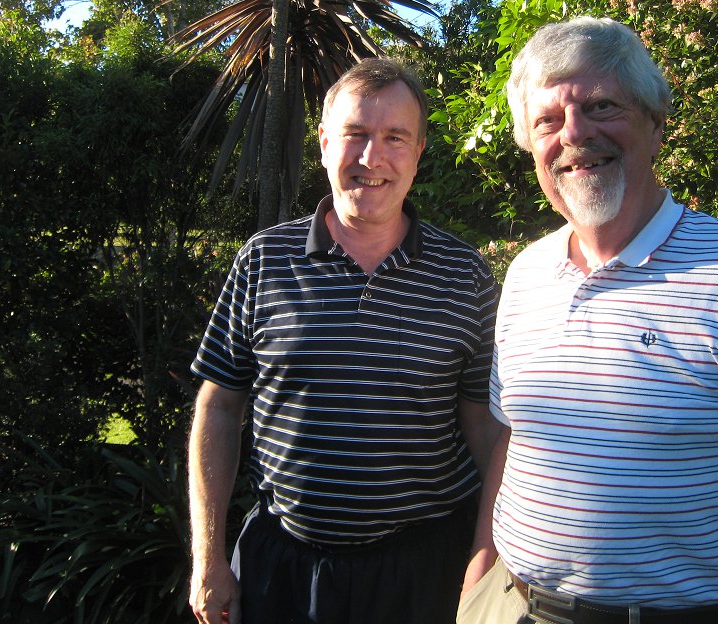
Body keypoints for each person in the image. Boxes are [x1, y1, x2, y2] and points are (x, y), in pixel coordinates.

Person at [458, 16, 718, 624]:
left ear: (656, 122)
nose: (575, 133)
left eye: (601, 106)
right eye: (548, 121)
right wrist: (481, 569)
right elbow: (514, 437)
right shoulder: (526, 273)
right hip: (510, 605)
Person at [187, 57, 498, 624]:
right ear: (325, 143)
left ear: (418, 152)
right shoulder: (264, 261)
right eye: (355, 134)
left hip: (425, 572)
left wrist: (487, 554)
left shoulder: (465, 275)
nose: (371, 158)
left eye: (394, 137)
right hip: (283, 570)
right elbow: (220, 407)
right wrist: (207, 558)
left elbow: (486, 426)